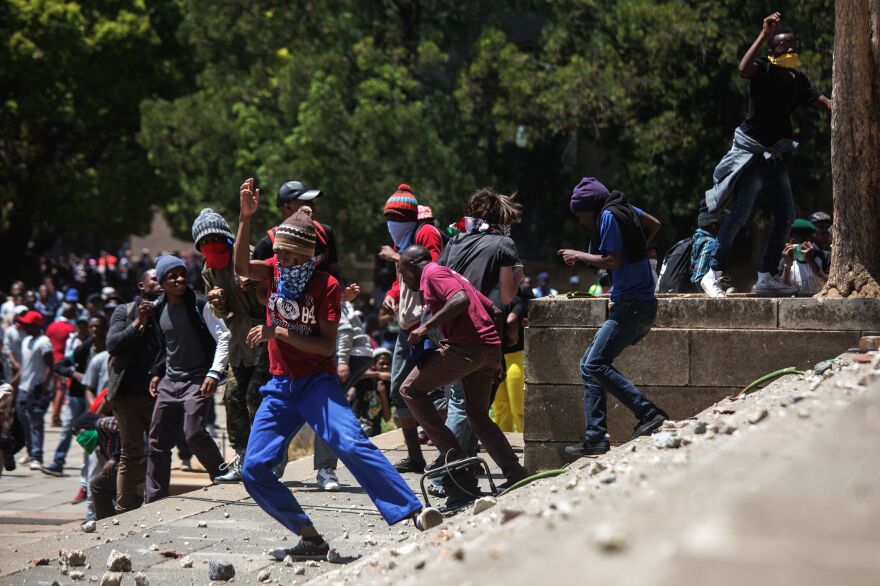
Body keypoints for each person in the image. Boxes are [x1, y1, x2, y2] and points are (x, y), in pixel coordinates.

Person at [234, 178, 440, 559]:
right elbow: (241, 265)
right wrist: (245, 218)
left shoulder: (327, 285)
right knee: (255, 470)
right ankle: (309, 537)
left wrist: (277, 331)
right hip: (280, 387)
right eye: (283, 257)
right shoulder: (274, 271)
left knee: (350, 442)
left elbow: (325, 345)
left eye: (295, 258)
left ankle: (412, 511)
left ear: (309, 255)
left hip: (317, 382)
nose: (288, 264)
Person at [701, 12, 832, 298]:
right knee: (740, 214)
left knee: (786, 216)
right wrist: (763, 34)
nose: (791, 51)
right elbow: (743, 66)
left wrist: (845, 105)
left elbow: (822, 102)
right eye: (785, 47)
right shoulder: (764, 69)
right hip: (751, 152)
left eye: (794, 46)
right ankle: (713, 272)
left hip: (774, 155)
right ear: (773, 52)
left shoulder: (797, 79)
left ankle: (766, 276)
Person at [398, 245, 529, 507]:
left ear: (412, 266)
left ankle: (455, 460)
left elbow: (460, 300)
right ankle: (516, 474)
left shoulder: (433, 274)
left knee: (409, 390)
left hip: (465, 351)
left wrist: (426, 327)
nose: (404, 280)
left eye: (403, 273)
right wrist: (498, 356)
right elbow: (496, 312)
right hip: (487, 351)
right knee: (478, 417)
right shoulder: (452, 273)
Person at [558, 177, 669, 456]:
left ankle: (647, 412)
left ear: (591, 208)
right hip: (638, 303)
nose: (582, 222)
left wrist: (579, 254)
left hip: (632, 304)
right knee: (589, 364)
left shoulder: (608, 214)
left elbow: (612, 261)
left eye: (582, 215)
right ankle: (595, 437)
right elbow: (654, 223)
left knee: (594, 363)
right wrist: (638, 247)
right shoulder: (626, 208)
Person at [144, 255, 229, 503]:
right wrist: (157, 373)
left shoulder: (198, 304)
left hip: (197, 379)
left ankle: (222, 476)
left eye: (182, 273)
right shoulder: (158, 309)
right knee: (157, 442)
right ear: (161, 282)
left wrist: (214, 374)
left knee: (193, 433)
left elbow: (224, 337)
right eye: (173, 276)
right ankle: (154, 497)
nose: (180, 279)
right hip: (170, 382)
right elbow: (164, 346)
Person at [191, 208, 266, 485]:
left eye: (215, 239)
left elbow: (272, 295)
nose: (211, 245)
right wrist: (217, 303)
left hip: (261, 337)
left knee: (255, 398)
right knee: (232, 399)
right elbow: (223, 315)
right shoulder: (209, 268)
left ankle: (264, 459)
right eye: (205, 242)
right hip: (237, 342)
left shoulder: (248, 253)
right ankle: (242, 457)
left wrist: (254, 286)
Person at [378, 183, 445, 475]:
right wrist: (392, 295)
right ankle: (415, 457)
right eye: (389, 218)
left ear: (409, 217)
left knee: (435, 392)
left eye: (396, 218)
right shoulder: (401, 241)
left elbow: (434, 269)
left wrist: (396, 259)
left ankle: (449, 452)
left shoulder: (425, 233)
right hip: (407, 327)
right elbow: (402, 279)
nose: (392, 224)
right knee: (398, 390)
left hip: (428, 326)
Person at [106, 268, 162, 512]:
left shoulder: (168, 311)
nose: (160, 283)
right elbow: (113, 345)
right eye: (155, 279)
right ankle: (124, 507)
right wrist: (139, 322)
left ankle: (155, 502)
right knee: (131, 452)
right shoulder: (124, 311)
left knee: (158, 450)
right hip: (127, 396)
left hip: (158, 395)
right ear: (142, 286)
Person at [15, 311, 54, 469]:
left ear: (37, 325)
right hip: (23, 389)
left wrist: (44, 388)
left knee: (36, 423)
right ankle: (30, 451)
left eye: (27, 324)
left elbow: (50, 366)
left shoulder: (44, 342)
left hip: (37, 390)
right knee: (24, 422)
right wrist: (14, 383)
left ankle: (37, 457)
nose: (24, 326)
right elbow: (25, 366)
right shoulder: (26, 341)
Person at [491, 286, 531, 433]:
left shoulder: (491, 295)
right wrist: (512, 338)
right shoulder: (518, 299)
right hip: (515, 358)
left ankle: (503, 441)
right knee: (519, 408)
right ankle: (525, 438)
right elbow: (511, 320)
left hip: (495, 357)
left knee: (500, 407)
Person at [46, 302, 77, 426]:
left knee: (55, 389)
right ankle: (55, 417)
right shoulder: (70, 328)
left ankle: (55, 415)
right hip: (61, 361)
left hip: (50, 359)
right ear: (69, 313)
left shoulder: (52, 326)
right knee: (60, 389)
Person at [350, 348, 393, 437]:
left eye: (388, 364)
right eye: (381, 363)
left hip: (375, 431)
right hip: (356, 426)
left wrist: (383, 393)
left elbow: (387, 417)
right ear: (373, 365)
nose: (385, 366)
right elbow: (354, 375)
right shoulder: (366, 380)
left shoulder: (390, 385)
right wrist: (378, 374)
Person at [780, 219, 828, 296]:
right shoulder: (786, 260)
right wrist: (787, 266)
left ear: (810, 241)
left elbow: (828, 285)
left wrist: (811, 261)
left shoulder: (824, 256)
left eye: (800, 241)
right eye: (793, 243)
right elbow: (782, 290)